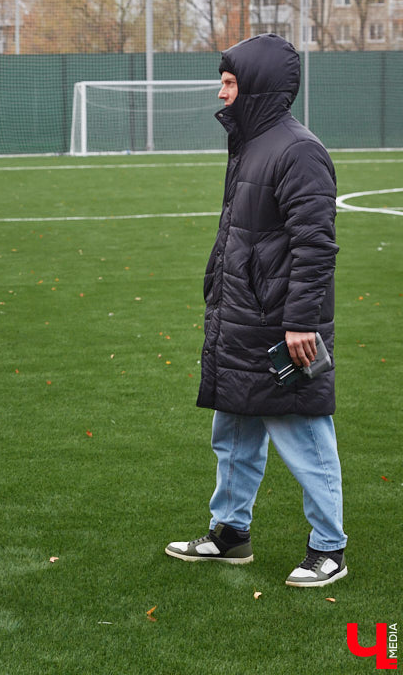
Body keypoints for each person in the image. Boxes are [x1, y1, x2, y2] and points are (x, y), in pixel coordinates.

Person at [164, 33, 345, 588]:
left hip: (279, 326)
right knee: (234, 431)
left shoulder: (298, 150)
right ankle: (229, 533)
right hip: (240, 319)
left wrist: (300, 321)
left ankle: (329, 547)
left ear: (257, 87)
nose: (221, 95)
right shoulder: (251, 143)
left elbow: (315, 245)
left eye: (229, 83)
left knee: (305, 434)